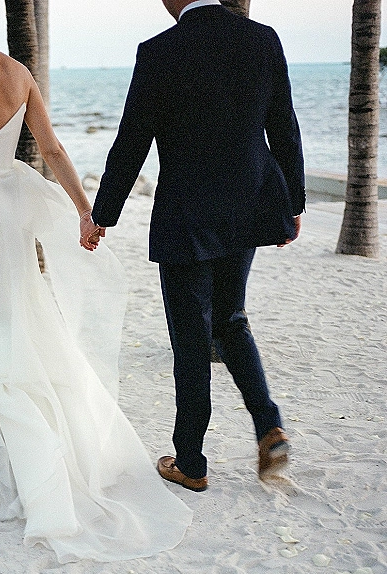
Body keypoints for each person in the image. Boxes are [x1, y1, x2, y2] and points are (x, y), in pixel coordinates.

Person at [0, 0, 193, 563]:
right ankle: (16, 445)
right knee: (18, 323)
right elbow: (51, 149)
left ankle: (27, 456)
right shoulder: (18, 73)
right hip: (11, 210)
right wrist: (86, 211)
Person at [91, 0, 306, 492]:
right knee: (231, 319)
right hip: (250, 202)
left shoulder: (158, 51)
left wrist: (103, 214)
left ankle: (190, 460)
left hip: (186, 211)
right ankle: (267, 423)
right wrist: (292, 202)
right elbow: (284, 127)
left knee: (191, 338)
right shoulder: (262, 38)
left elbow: (132, 141)